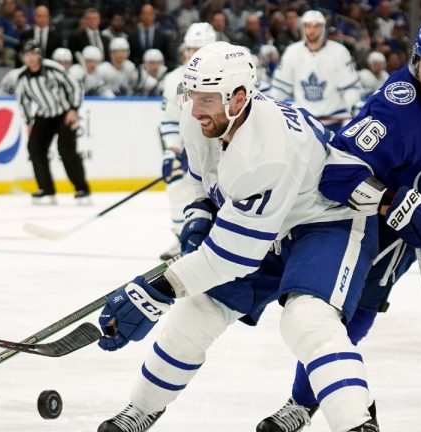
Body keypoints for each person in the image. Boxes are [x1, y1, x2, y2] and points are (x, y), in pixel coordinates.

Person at [96, 42, 380, 432]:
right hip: (266, 222)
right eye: (192, 96)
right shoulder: (201, 116)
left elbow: (232, 258)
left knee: (307, 319)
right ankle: (142, 409)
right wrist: (197, 220)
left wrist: (154, 290)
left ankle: (355, 424)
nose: (196, 109)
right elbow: (201, 180)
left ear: (239, 98)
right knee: (196, 313)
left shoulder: (264, 151)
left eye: (207, 99)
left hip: (325, 221)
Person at [256, 8, 421, 432]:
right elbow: (338, 172)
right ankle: (303, 402)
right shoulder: (395, 106)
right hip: (398, 212)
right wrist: (392, 202)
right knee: (351, 312)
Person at [157, 22, 217, 261]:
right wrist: (173, 151)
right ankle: (183, 236)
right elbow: (170, 121)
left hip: (221, 149)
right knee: (177, 183)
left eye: (199, 49)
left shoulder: (227, 75)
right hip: (189, 150)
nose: (194, 55)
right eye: (191, 49)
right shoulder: (174, 79)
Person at [15, 40, 90, 204]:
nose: (31, 58)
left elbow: (75, 86)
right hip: (44, 115)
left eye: (34, 54)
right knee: (34, 148)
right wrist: (29, 122)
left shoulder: (52, 68)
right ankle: (46, 189)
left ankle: (82, 188)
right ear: (23, 58)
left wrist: (73, 109)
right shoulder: (22, 78)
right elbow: (23, 101)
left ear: (39, 55)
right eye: (28, 55)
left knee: (66, 149)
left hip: (64, 113)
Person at [267, 10, 362, 133]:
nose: (312, 30)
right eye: (308, 26)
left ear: (323, 28)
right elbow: (280, 88)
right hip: (304, 122)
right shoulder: (291, 52)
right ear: (302, 28)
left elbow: (351, 88)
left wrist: (354, 113)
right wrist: (269, 110)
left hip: (335, 120)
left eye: (316, 26)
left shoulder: (340, 52)